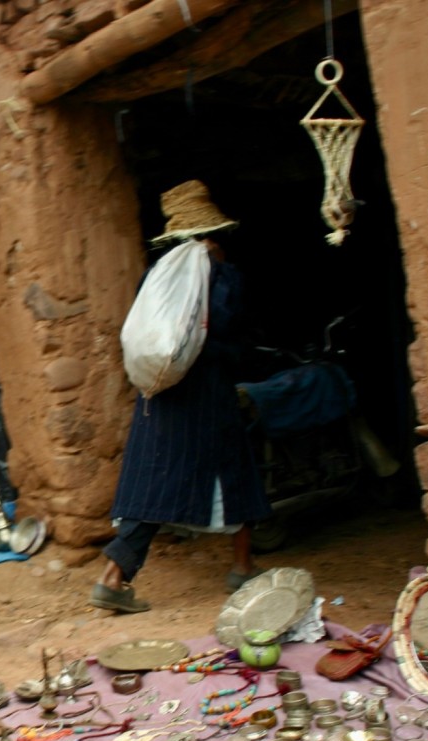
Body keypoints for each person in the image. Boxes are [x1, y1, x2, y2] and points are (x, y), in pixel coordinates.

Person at [91, 180, 270, 614]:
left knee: (154, 478)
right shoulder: (222, 275)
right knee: (235, 471)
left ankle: (113, 577)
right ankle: (241, 566)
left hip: (158, 392)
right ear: (215, 233)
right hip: (206, 395)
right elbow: (228, 332)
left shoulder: (158, 276)